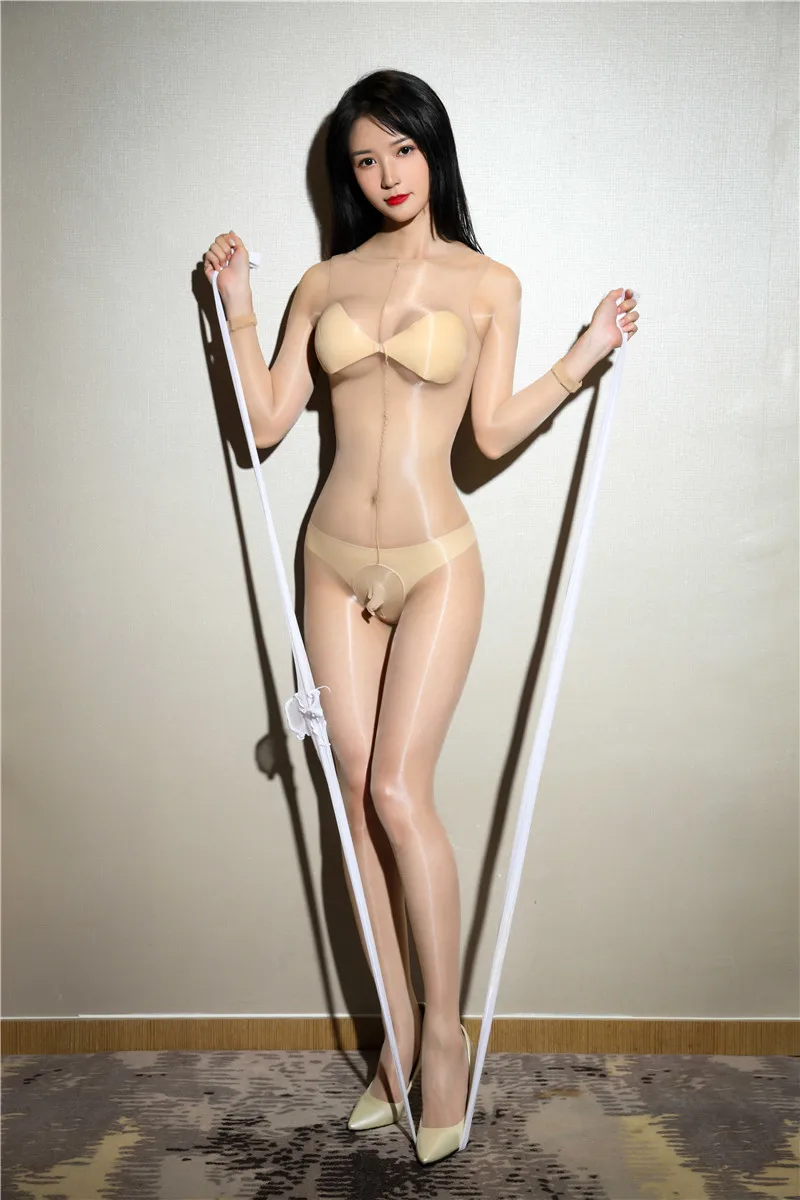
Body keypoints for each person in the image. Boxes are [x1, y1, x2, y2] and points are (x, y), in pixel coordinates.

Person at [203, 68, 639, 1164]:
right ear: (346, 175)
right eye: (364, 159)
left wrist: (582, 357)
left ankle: (444, 1037)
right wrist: (238, 301)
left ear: (433, 151)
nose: (386, 175)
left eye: (401, 150)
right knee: (352, 802)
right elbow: (265, 422)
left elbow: (486, 433)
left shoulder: (488, 282)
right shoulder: (323, 281)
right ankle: (394, 1040)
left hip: (435, 559)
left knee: (399, 791)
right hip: (329, 558)